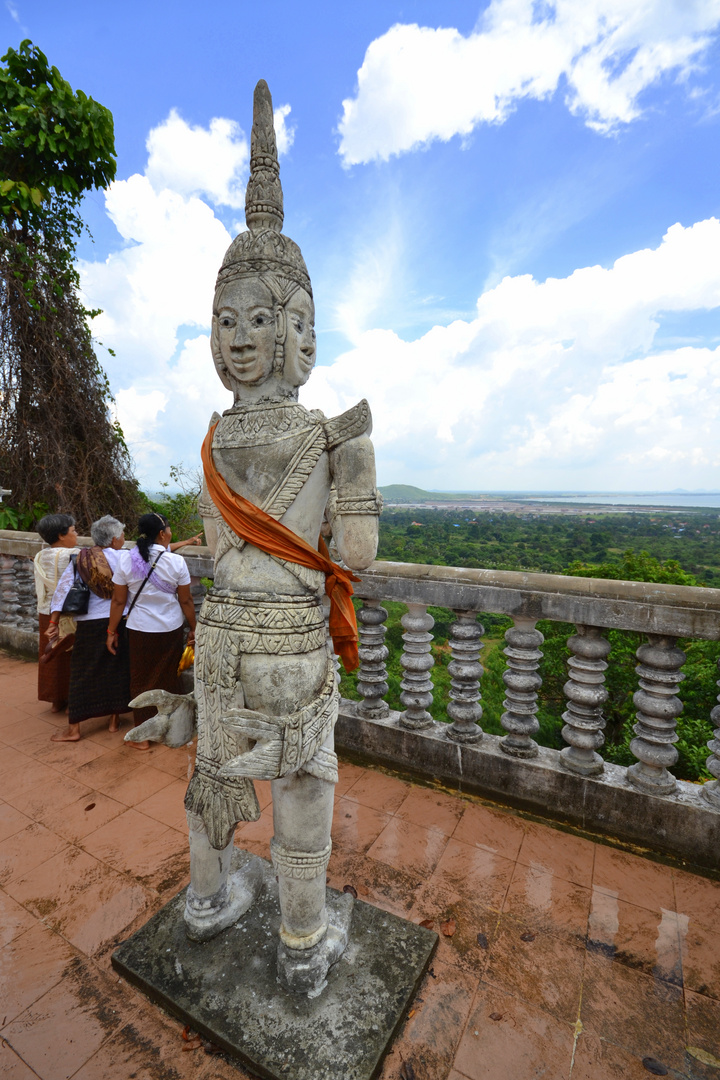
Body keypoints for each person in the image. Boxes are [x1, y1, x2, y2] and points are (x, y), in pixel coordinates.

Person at [107, 511, 197, 750]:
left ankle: (144, 737)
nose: (170, 533)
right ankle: (173, 729)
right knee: (169, 677)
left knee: (141, 678)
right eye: (168, 529)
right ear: (162, 533)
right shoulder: (176, 561)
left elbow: (118, 601)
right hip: (170, 628)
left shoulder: (126, 560)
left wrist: (111, 631)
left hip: (139, 629)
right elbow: (186, 601)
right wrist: (194, 628)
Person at [46, 516, 130, 742]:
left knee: (82, 672)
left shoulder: (81, 558)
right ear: (114, 539)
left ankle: (74, 728)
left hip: (89, 622)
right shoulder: (126, 557)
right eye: (122, 535)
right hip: (119, 620)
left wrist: (53, 623)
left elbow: (63, 590)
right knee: (116, 668)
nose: (124, 539)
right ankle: (113, 721)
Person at [34, 513, 78, 712]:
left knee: (52, 653)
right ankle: (73, 700)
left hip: (46, 610)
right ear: (61, 535)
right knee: (72, 655)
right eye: (73, 530)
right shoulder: (75, 554)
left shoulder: (41, 556)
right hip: (69, 612)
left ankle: (56, 701)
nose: (76, 534)